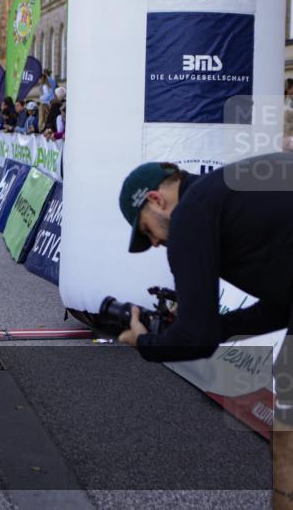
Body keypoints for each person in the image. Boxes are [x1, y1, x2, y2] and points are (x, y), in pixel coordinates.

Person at [115, 154, 293, 508]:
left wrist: (146, 342)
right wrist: (217, 324)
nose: (153, 243)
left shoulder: (190, 215)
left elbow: (196, 340)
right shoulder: (220, 197)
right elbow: (279, 307)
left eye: (146, 230)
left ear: (156, 200)